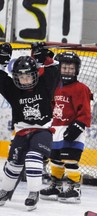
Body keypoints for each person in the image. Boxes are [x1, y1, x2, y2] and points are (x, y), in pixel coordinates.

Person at [0, 42, 59, 211]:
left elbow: (54, 68)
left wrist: (43, 57)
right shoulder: (12, 90)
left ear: (35, 75)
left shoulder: (45, 85)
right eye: (21, 77)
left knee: (33, 157)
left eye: (28, 76)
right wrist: (2, 59)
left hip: (43, 131)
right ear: (15, 77)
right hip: (21, 132)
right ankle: (5, 191)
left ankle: (33, 193)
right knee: (13, 163)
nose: (25, 80)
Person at [40, 51, 92, 203]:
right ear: (59, 69)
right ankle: (55, 186)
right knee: (55, 160)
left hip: (72, 129)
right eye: (64, 68)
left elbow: (85, 112)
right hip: (57, 129)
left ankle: (75, 189)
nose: (68, 71)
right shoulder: (56, 87)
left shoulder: (81, 88)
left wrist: (78, 126)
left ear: (76, 70)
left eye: (71, 68)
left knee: (70, 160)